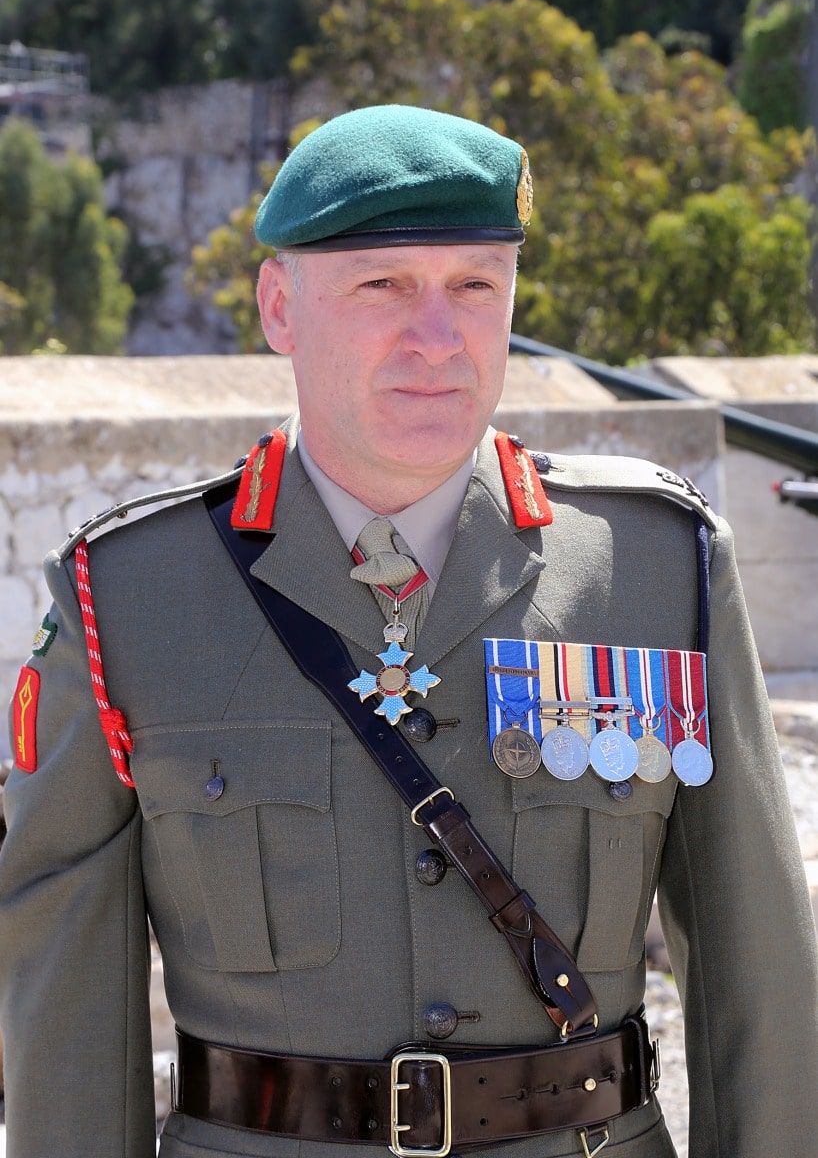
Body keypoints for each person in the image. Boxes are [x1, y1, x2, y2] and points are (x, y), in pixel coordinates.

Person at [0, 104, 816, 1158]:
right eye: (382, 285)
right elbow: (68, 1016)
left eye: (474, 285)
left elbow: (759, 970)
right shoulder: (132, 596)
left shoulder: (653, 568)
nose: (436, 338)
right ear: (280, 307)